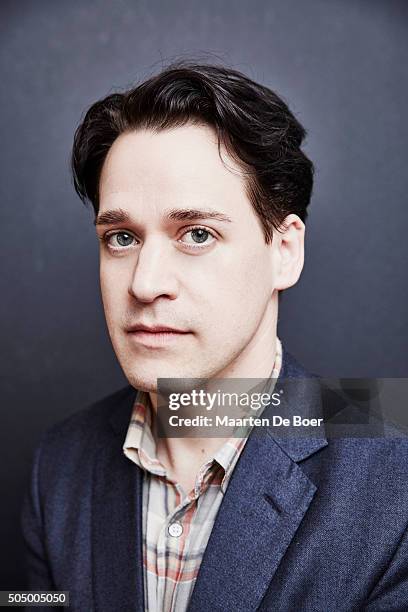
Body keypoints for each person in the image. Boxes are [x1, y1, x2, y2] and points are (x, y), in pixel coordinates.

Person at [22, 62, 408, 611]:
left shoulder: (395, 474)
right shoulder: (59, 463)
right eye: (121, 237)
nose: (145, 283)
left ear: (285, 251)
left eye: (197, 234)